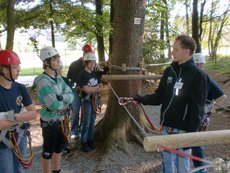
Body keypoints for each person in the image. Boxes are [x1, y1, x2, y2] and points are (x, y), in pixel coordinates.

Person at [132, 35, 209, 173]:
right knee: (166, 161)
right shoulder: (169, 71)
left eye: (175, 49)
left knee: (182, 164)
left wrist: (190, 136)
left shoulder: (198, 75)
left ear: (187, 51)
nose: (172, 52)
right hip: (167, 127)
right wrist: (140, 99)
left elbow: (197, 108)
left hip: (183, 130)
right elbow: (159, 96)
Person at [35, 46, 74, 173]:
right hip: (49, 119)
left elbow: (71, 95)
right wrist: (64, 99)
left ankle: (56, 170)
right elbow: (53, 105)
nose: (58, 61)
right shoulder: (42, 81)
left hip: (61, 118)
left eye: (58, 58)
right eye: (54, 58)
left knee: (59, 148)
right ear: (46, 62)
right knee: (48, 150)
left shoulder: (58, 79)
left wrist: (61, 97)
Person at [0, 50, 37, 173]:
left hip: (20, 136)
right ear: (4, 69)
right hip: (2, 143)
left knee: (20, 170)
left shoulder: (20, 88)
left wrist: (9, 117)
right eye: (15, 67)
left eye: (18, 67)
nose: (19, 70)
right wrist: (21, 117)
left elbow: (33, 113)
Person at [192, 53, 227, 173]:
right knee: (191, 140)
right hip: (190, 114)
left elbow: (222, 96)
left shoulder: (206, 80)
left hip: (200, 116)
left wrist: (209, 108)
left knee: (196, 140)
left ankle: (201, 168)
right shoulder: (192, 79)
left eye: (199, 64)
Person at [67, 44, 94, 140]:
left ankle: (82, 129)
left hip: (86, 92)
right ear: (84, 53)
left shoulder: (92, 65)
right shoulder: (74, 64)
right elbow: (68, 79)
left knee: (85, 113)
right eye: (88, 54)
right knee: (75, 112)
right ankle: (74, 131)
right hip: (75, 92)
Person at [79, 52, 102, 152]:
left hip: (95, 100)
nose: (93, 63)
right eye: (91, 62)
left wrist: (93, 89)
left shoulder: (95, 73)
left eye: (94, 61)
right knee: (86, 121)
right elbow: (86, 90)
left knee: (92, 121)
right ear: (86, 63)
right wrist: (95, 89)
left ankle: (90, 139)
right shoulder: (82, 74)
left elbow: (101, 87)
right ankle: (83, 142)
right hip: (87, 101)